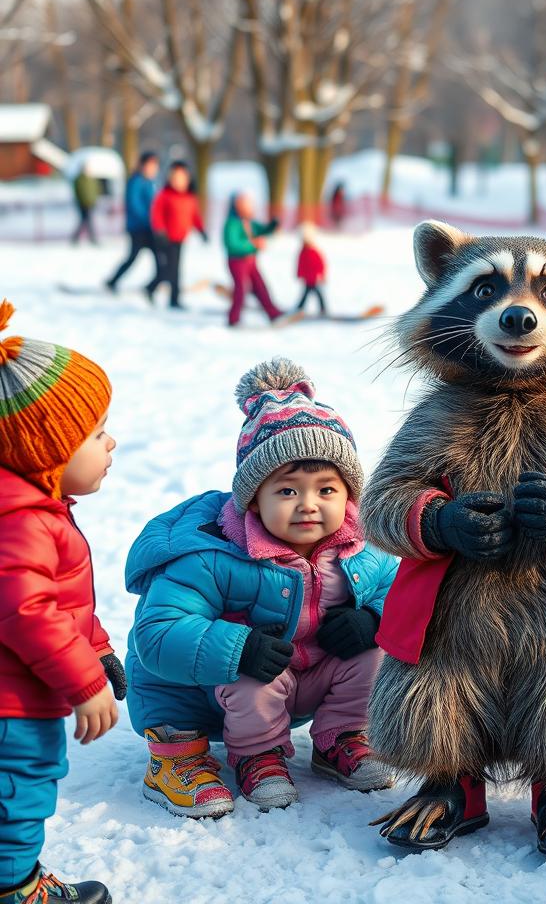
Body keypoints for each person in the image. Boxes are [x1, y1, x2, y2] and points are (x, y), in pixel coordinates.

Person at [124, 359, 397, 816]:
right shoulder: (213, 553)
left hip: (303, 676)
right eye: (288, 491)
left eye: (326, 490)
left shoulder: (361, 545)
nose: (309, 505)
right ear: (254, 498)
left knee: (374, 654)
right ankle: (257, 757)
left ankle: (341, 738)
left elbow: (403, 594)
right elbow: (158, 631)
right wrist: (238, 647)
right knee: (251, 674)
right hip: (203, 691)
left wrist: (373, 619)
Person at [0, 300, 123, 904]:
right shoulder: (18, 521)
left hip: (21, 690)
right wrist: (83, 681)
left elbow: (60, 598)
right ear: (45, 450)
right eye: (96, 433)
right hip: (12, 705)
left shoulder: (34, 512)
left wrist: (96, 650)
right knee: (19, 789)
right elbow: (25, 611)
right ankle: (15, 889)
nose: (111, 442)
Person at [146, 160, 205, 309]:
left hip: (181, 237)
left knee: (176, 270)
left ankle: (172, 298)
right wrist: (159, 230)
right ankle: (154, 289)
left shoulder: (189, 197)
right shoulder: (165, 196)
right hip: (166, 238)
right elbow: (156, 214)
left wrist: (201, 230)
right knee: (169, 270)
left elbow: (194, 216)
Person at [222, 192, 282, 327]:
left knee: (261, 287)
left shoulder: (249, 222)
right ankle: (233, 318)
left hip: (251, 262)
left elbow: (262, 230)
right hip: (237, 261)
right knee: (241, 289)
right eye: (245, 205)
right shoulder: (232, 224)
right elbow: (232, 243)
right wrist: (253, 244)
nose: (249, 208)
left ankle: (273, 313)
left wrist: (273, 226)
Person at [106, 152, 160, 293]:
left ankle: (154, 284)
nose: (153, 169)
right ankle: (113, 281)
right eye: (150, 165)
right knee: (133, 257)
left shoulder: (150, 183)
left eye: (155, 166)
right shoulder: (136, 181)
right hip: (139, 228)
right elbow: (135, 204)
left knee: (157, 257)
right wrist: (151, 219)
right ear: (143, 166)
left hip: (148, 227)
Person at [295, 222, 327, 317]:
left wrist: (322, 274)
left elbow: (320, 264)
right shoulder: (302, 252)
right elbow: (300, 264)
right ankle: (300, 308)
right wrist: (299, 274)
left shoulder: (314, 252)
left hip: (314, 279)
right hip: (307, 279)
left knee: (317, 294)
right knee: (306, 294)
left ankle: (322, 309)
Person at [71, 162, 101, 246]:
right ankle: (91, 238)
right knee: (86, 221)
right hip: (83, 204)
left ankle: (77, 238)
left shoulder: (92, 179)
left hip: (91, 203)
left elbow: (96, 190)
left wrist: (94, 200)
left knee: (86, 221)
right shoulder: (79, 179)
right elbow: (79, 192)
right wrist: (83, 201)